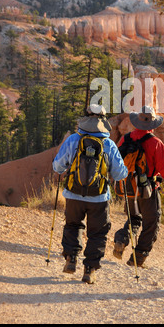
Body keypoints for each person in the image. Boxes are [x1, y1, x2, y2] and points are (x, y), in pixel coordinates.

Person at [52, 104, 128, 284]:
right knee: (98, 233)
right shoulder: (108, 144)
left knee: (72, 225)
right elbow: (119, 173)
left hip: (73, 194)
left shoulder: (72, 140)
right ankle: (89, 270)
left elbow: (57, 166)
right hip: (99, 197)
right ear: (103, 120)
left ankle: (71, 258)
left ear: (85, 118)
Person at [113, 105, 164, 268]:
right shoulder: (155, 143)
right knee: (152, 223)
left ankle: (121, 238)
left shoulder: (125, 139)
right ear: (152, 124)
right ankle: (138, 259)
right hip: (147, 191)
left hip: (128, 188)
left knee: (134, 219)